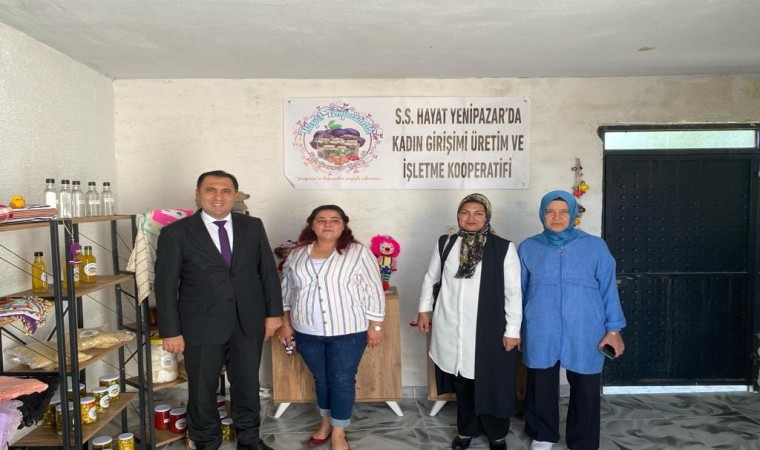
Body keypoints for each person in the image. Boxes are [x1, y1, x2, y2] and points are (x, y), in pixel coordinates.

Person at [155, 170, 282, 450]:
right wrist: (171, 331)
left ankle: (249, 440)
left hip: (247, 322)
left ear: (235, 196)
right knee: (202, 389)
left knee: (247, 385)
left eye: (226, 191)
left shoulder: (252, 226)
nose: (218, 196)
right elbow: (165, 286)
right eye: (210, 190)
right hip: (200, 325)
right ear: (197, 195)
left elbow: (268, 272)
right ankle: (206, 442)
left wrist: (274, 314)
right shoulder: (176, 233)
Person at [518, 190, 626, 450]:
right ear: (542, 214)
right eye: (550, 211)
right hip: (541, 325)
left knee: (586, 383)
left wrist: (614, 329)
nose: (556, 217)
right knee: (540, 380)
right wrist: (516, 328)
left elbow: (608, 289)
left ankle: (583, 440)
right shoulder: (529, 247)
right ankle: (543, 434)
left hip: (586, 326)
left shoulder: (595, 246)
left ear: (573, 215)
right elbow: (517, 291)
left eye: (564, 211)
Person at [416, 193, 522, 450]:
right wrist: (424, 310)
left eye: (478, 213)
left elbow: (513, 292)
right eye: (465, 212)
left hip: (489, 328)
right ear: (458, 216)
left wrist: (513, 330)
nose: (471, 218)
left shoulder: (503, 247)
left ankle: (496, 434)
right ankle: (466, 430)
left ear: (487, 217)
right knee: (462, 381)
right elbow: (431, 278)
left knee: (493, 382)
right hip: (452, 325)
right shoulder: (446, 243)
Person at [277, 205, 385, 450]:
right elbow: (286, 291)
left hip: (348, 330)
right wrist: (286, 324)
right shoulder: (297, 254)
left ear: (343, 225)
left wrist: (376, 326)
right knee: (322, 378)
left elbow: (373, 289)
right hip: (307, 330)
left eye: (334, 220)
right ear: (312, 224)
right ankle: (325, 423)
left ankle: (338, 431)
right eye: (321, 220)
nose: (328, 224)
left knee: (342, 379)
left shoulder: (358, 252)